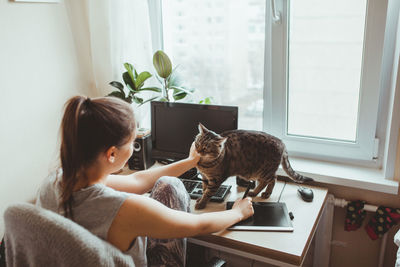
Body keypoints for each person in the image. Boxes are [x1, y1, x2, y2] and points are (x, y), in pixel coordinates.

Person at [36, 96, 254, 267]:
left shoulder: (55, 181)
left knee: (166, 182)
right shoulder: (124, 208)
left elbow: (138, 180)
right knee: (171, 185)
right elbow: (200, 224)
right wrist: (239, 212)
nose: (134, 148)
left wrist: (190, 162)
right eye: (132, 141)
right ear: (112, 154)